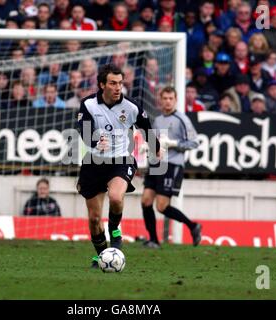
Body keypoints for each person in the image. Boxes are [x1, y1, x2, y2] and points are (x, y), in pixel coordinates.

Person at [77, 64, 160, 268]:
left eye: (120, 83)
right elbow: (83, 130)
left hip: (121, 160)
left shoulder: (131, 107)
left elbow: (147, 127)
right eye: (113, 83)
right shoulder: (88, 105)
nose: (117, 88)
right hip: (94, 162)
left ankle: (115, 231)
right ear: (102, 84)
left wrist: (156, 148)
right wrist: (96, 142)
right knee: (95, 218)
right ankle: (103, 255)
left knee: (115, 197)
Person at [140, 86, 202, 249]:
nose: (167, 101)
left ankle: (192, 226)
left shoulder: (182, 119)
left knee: (161, 206)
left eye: (171, 98)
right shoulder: (158, 120)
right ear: (160, 100)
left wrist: (175, 143)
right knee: (146, 200)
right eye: (165, 98)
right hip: (155, 163)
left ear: (175, 100)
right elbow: (156, 144)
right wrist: (147, 147)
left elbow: (195, 142)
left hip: (172, 165)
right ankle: (153, 239)